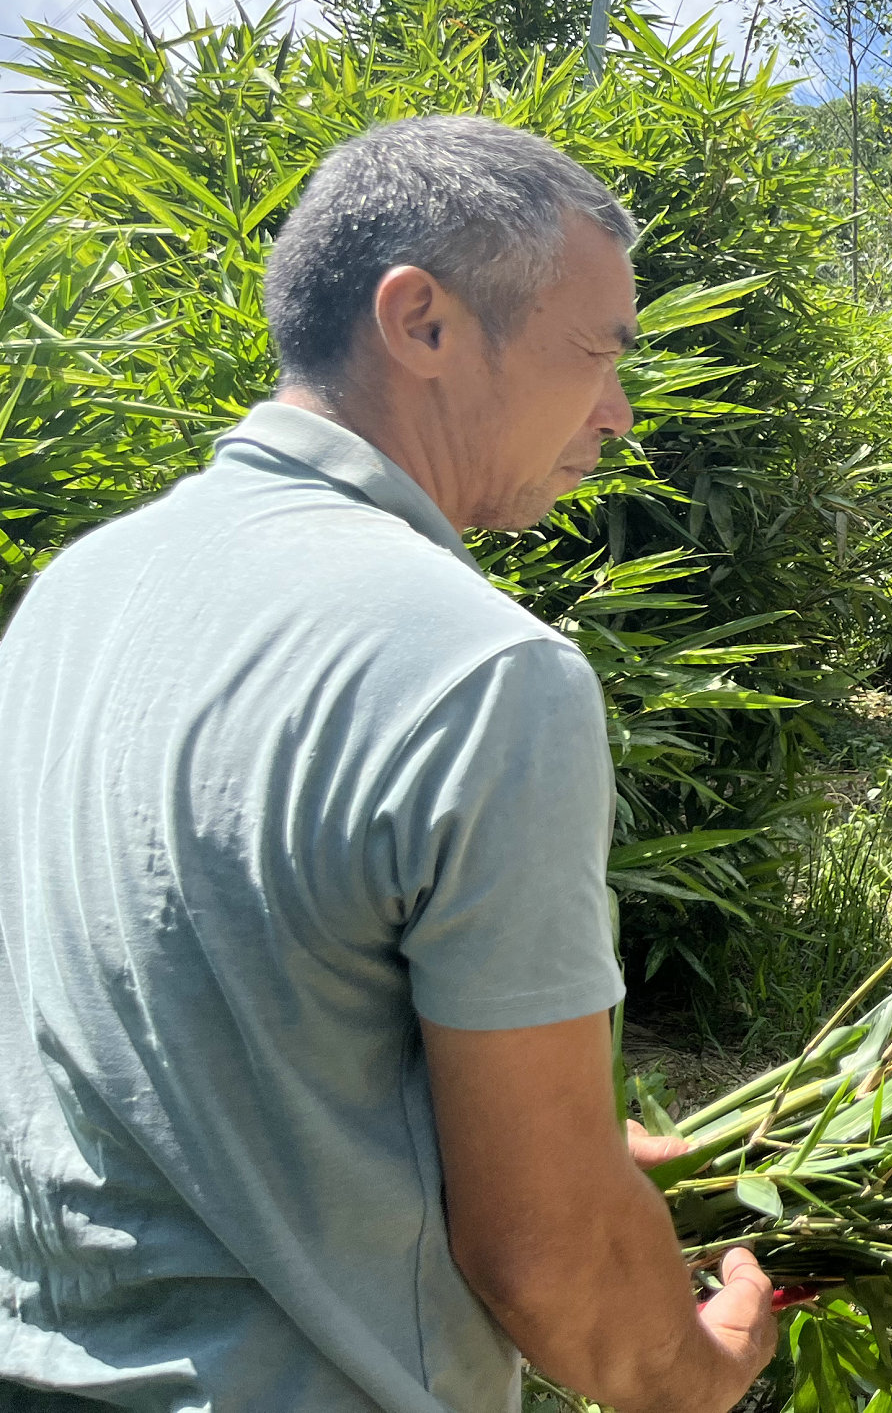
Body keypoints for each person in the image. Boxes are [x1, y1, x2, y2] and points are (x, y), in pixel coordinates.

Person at [0, 117, 780, 1413]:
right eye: (598, 352)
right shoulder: (485, 674)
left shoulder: (70, 601)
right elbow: (549, 1261)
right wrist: (694, 1366)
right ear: (421, 320)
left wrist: (543, 1144)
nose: (620, 412)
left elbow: (178, 1024)